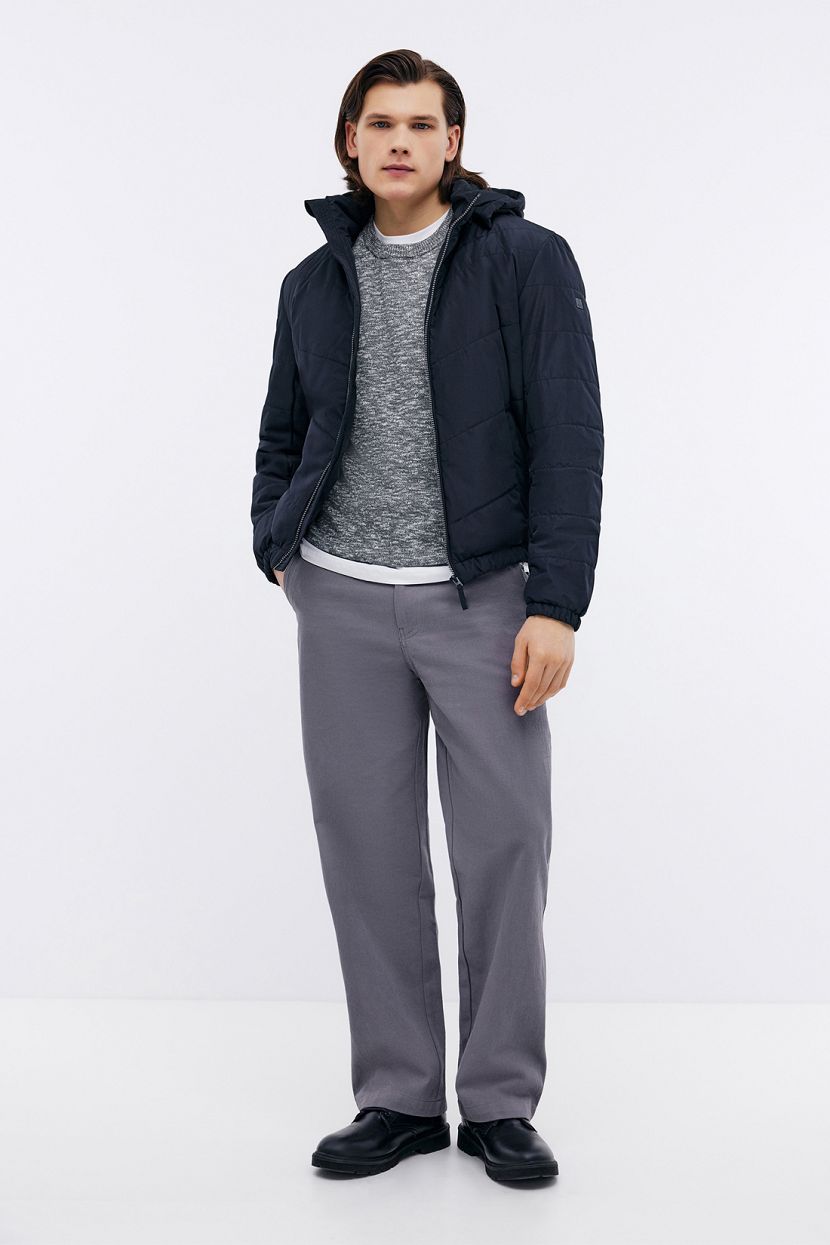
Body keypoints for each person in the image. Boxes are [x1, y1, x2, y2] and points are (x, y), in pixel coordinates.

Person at [250, 49, 603, 1184]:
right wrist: (277, 544)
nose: (399, 141)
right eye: (379, 123)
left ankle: (498, 1100)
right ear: (348, 142)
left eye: (421, 123)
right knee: (364, 848)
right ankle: (398, 1096)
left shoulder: (524, 260)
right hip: (339, 598)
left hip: (482, 599)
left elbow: (569, 436)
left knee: (504, 844)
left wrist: (555, 604)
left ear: (453, 143)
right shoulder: (313, 281)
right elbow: (281, 429)